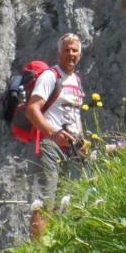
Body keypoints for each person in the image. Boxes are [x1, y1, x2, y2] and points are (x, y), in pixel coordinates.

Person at [24, 33, 87, 240]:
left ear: (80, 54)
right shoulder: (50, 76)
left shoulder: (76, 80)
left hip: (73, 148)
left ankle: (57, 247)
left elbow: (73, 114)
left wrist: (82, 139)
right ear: (59, 53)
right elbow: (32, 110)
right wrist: (53, 133)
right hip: (50, 145)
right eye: (67, 50)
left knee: (67, 200)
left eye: (75, 50)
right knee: (45, 201)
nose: (71, 54)